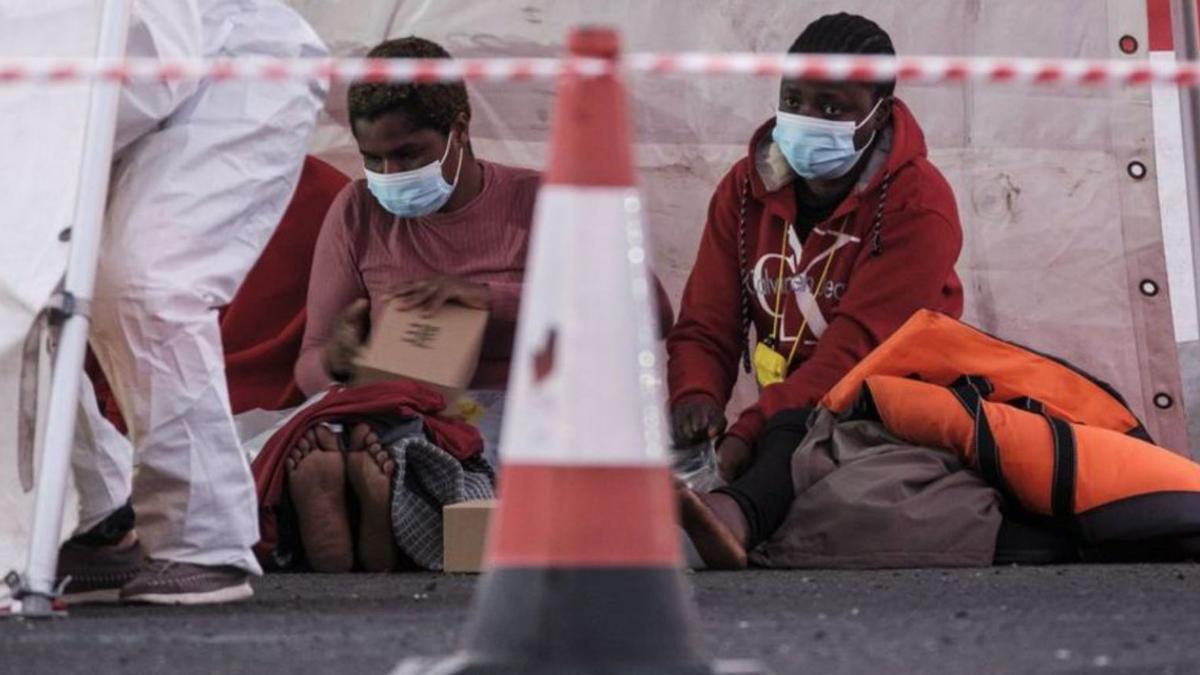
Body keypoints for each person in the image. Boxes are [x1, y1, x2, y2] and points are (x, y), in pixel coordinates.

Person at [56, 0, 328, 603]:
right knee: (17, 299)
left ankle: (202, 541)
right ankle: (94, 520)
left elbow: (154, 52)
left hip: (229, 73)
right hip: (89, 102)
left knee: (150, 287)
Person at [668, 13, 964, 568]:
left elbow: (853, 355)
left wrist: (749, 432)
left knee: (801, 443)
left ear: (879, 115)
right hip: (785, 408)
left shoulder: (918, 203)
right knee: (680, 442)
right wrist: (695, 396)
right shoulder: (745, 186)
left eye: (833, 108)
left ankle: (732, 518)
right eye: (794, 99)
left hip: (882, 403)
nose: (806, 119)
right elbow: (707, 322)